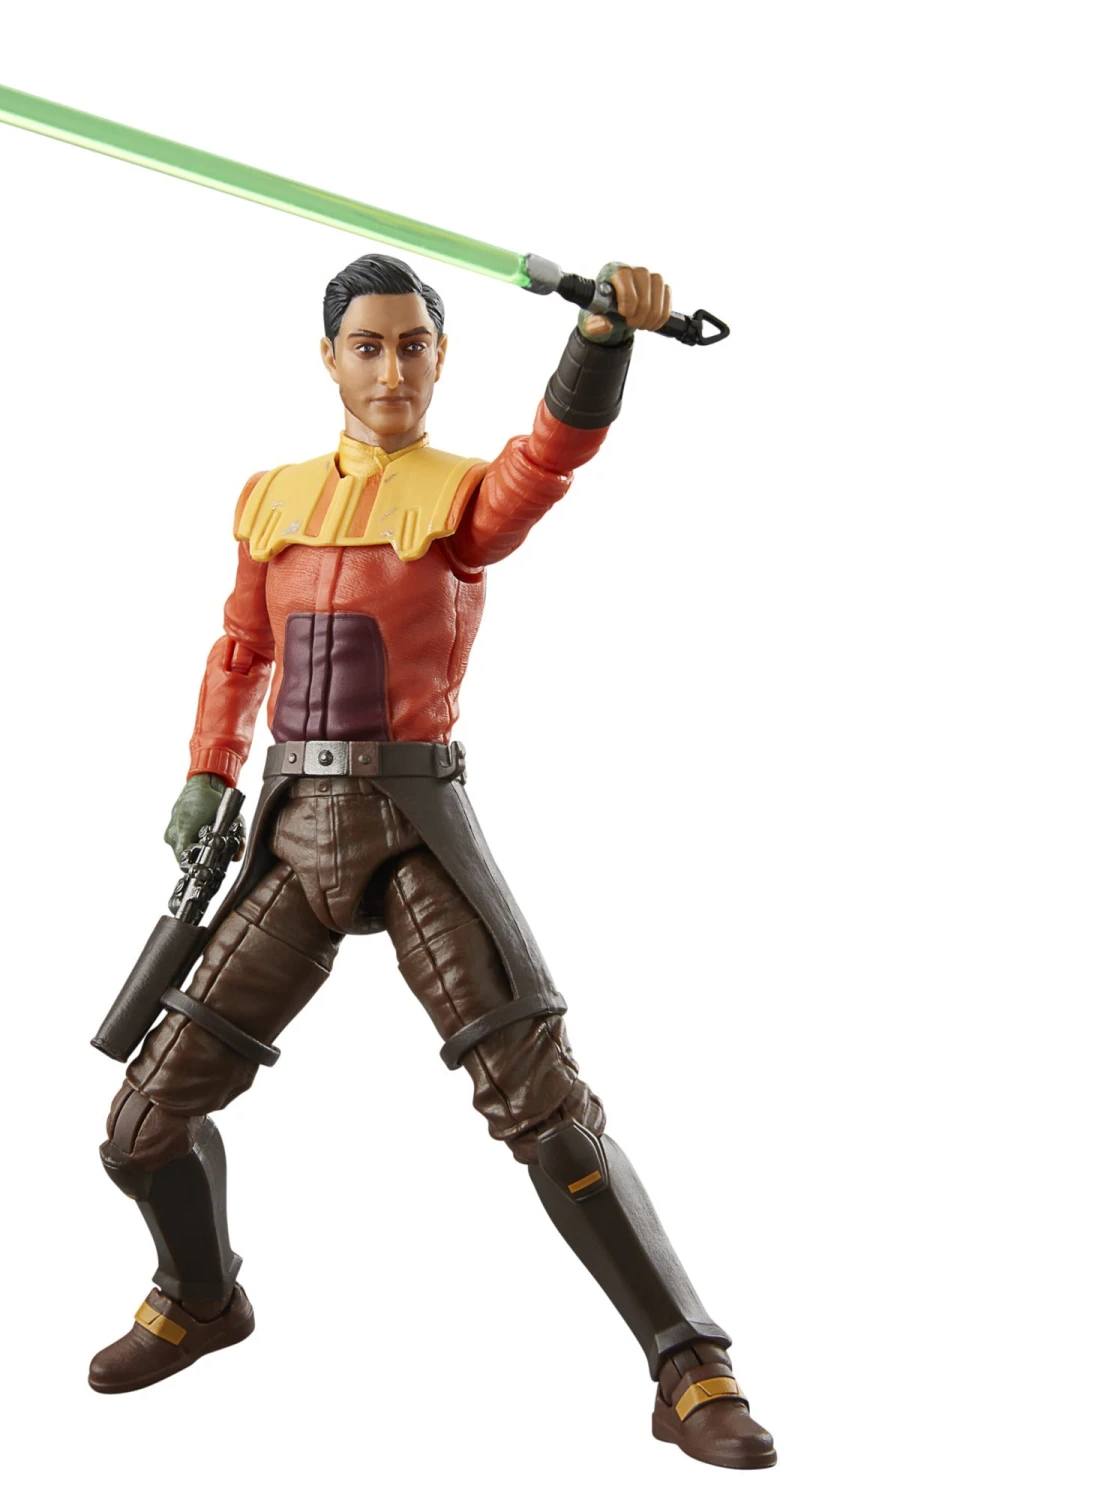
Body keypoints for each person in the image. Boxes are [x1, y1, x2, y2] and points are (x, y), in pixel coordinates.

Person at [90, 253, 776, 1470]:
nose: (392, 370)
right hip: (290, 829)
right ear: (329, 357)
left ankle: (689, 1367)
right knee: (141, 1127)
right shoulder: (271, 497)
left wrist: (601, 339)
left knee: (547, 1111)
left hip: (413, 825)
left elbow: (547, 460)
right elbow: (241, 647)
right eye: (368, 345)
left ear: (441, 357)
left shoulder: (458, 496)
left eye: (414, 345)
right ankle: (200, 1297)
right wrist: (206, 768)